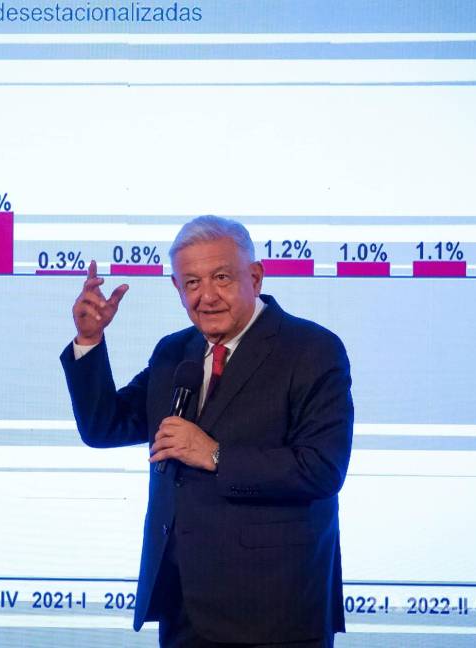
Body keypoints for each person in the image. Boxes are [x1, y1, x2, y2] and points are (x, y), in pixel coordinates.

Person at [61, 216, 353, 647]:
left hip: (276, 611)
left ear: (255, 277)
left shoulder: (311, 349)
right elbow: (106, 426)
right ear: (177, 289)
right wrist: (89, 339)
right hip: (184, 608)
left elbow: (322, 469)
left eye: (222, 277)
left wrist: (216, 455)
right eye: (192, 283)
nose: (207, 296)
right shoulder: (174, 351)